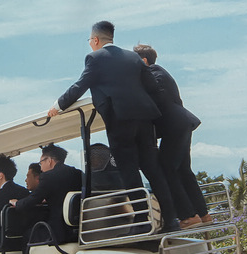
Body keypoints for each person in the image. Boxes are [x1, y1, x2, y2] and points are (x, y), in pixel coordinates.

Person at [48, 20, 179, 231]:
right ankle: (172, 219)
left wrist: (58, 105)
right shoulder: (132, 57)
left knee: (129, 171)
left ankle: (141, 221)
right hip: (145, 119)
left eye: (90, 40)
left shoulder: (94, 58)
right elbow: (153, 88)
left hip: (120, 120)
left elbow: (81, 85)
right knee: (153, 169)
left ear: (96, 40)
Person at [133, 44, 211, 228]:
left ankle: (188, 215)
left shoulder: (154, 73)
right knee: (183, 170)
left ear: (143, 61)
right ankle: (203, 214)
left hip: (174, 126)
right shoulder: (159, 72)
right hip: (180, 125)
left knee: (166, 168)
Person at [10, 144, 82, 243]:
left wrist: (17, 203)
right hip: (78, 230)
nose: (41, 168)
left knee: (27, 235)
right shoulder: (78, 173)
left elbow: (34, 199)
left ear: (49, 161)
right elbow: (61, 194)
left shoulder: (47, 176)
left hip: (58, 232)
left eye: (41, 163)